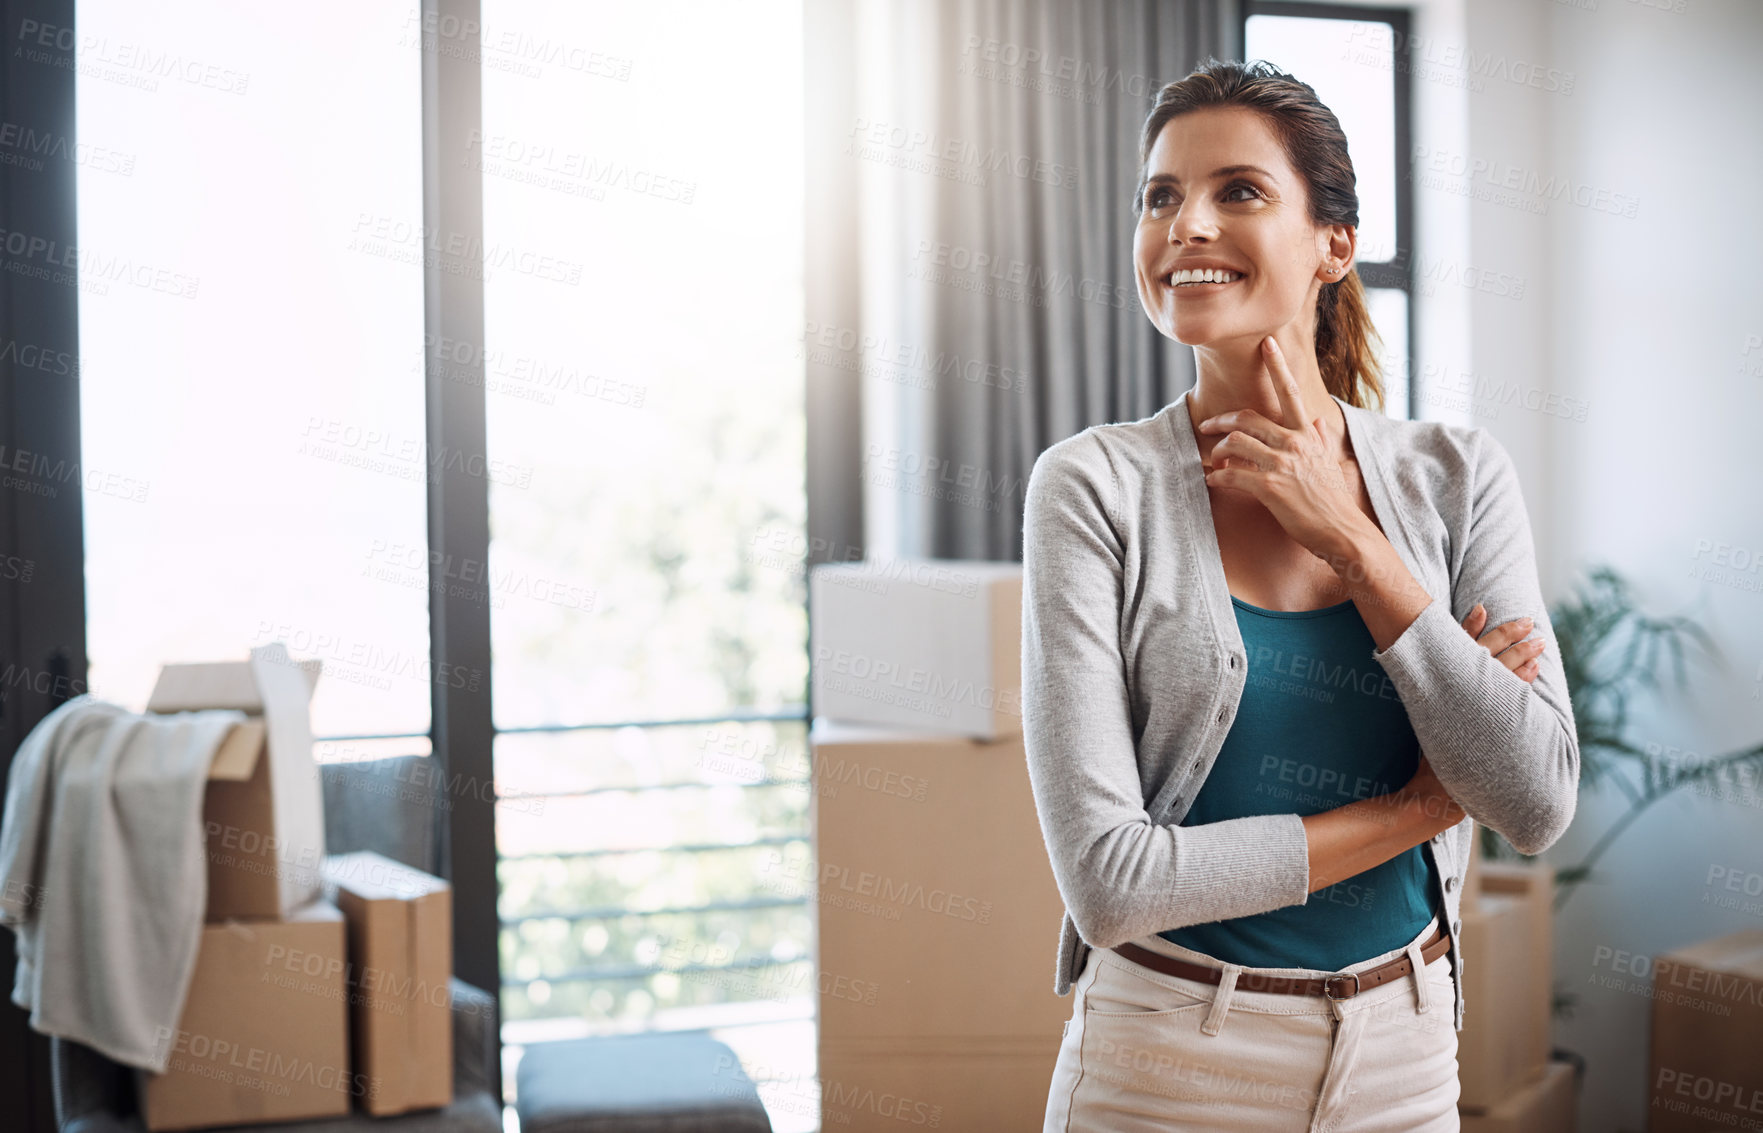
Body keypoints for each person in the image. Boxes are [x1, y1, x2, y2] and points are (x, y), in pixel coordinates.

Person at [1024, 58, 1580, 1132]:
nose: (1184, 224)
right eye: (1158, 196)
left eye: (1235, 190)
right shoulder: (1092, 488)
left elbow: (1533, 797)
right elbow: (1111, 880)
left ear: (1333, 243)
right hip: (1164, 1065)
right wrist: (1417, 808)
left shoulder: (1454, 478)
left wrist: (1351, 540)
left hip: (1406, 1054)